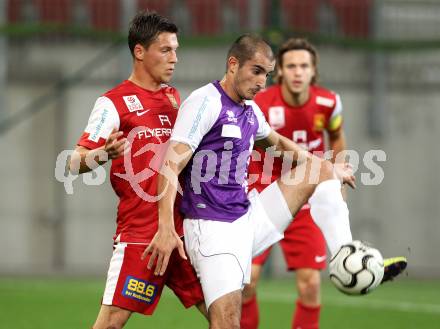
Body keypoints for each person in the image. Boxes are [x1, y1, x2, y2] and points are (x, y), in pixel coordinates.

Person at [143, 34, 404, 329]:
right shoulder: (205, 102)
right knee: (227, 323)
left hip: (247, 217)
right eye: (256, 71)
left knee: (319, 169)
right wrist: (166, 228)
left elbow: (277, 142)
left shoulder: (250, 109)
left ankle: (347, 255)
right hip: (213, 228)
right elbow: (168, 166)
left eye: (266, 75)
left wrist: (330, 168)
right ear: (233, 64)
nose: (261, 83)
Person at [239, 38, 407, 329]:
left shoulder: (329, 102)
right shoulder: (261, 102)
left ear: (313, 71)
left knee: (310, 286)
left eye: (304, 66)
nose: (297, 72)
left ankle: (358, 260)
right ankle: (362, 259)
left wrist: (337, 184)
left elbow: (337, 139)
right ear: (279, 72)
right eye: (290, 65)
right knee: (247, 281)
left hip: (306, 196)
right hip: (265, 192)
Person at [68, 12, 207, 329]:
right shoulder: (112, 103)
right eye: (166, 50)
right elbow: (74, 162)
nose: (175, 58)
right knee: (110, 324)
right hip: (142, 236)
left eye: (176, 50)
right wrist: (105, 153)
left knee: (224, 315)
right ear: (140, 52)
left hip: (182, 232)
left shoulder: (172, 98)